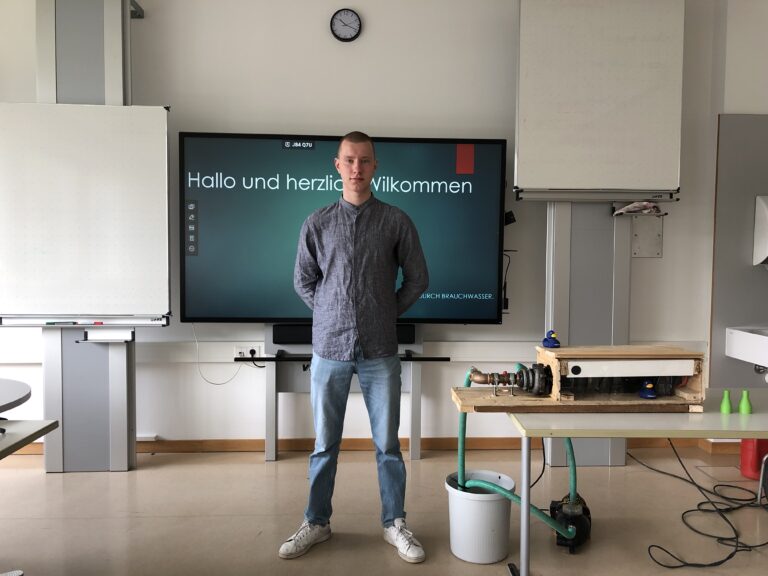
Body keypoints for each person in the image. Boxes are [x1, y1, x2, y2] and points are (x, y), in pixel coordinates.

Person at [280, 131, 429, 563]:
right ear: (337, 165)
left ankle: (394, 522)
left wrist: (385, 310)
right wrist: (332, 311)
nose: (357, 168)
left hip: (381, 349)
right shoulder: (318, 222)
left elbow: (418, 278)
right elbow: (302, 280)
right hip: (329, 348)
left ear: (375, 166)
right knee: (324, 444)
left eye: (364, 160)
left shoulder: (396, 221)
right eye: (349, 160)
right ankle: (316, 522)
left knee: (387, 445)